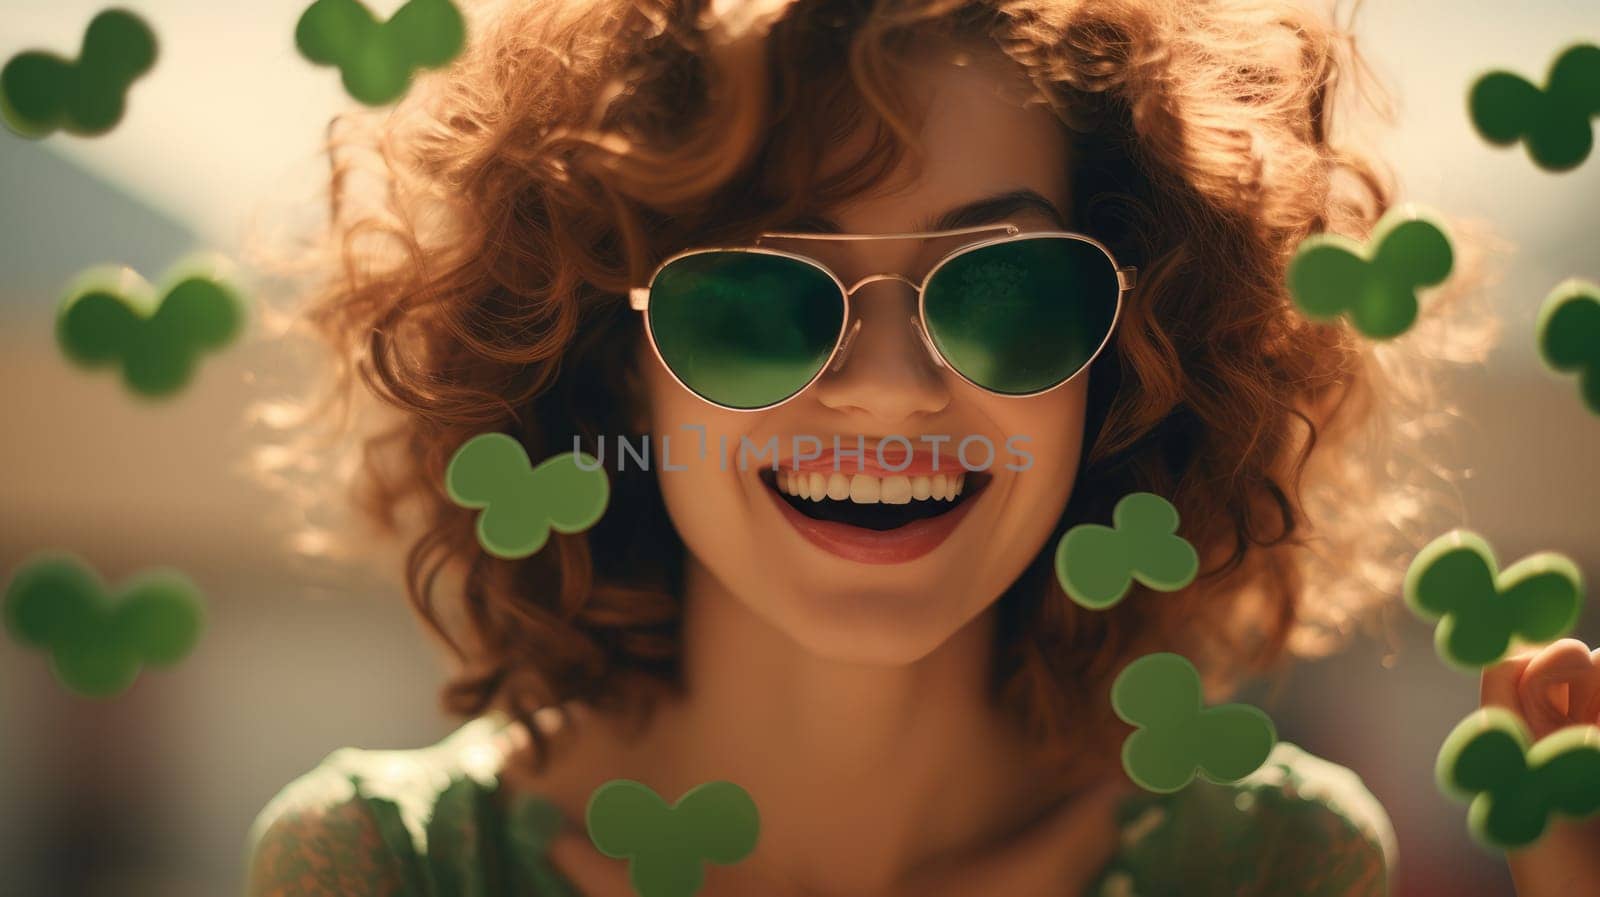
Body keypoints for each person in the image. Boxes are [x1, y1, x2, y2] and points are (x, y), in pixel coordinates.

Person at [242, 0, 1599, 894]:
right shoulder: (383, 867)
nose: (888, 392)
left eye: (1005, 293)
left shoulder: (1273, 865)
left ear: (1136, 356)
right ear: (612, 357)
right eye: (761, 297)